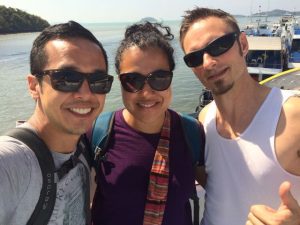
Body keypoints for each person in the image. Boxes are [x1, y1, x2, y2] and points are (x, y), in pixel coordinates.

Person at [179, 7, 300, 225]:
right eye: (195, 57)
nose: (207, 62)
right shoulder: (204, 121)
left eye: (218, 46)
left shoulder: (293, 115)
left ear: (243, 45)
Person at [90, 22, 205, 225]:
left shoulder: (192, 133)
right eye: (133, 80)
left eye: (159, 78)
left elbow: (223, 191)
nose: (146, 92)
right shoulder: (97, 132)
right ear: (120, 81)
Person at [0, 21, 113, 225]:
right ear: (34, 86)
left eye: (98, 81)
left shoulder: (82, 150)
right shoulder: (10, 165)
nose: (85, 94)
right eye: (67, 78)